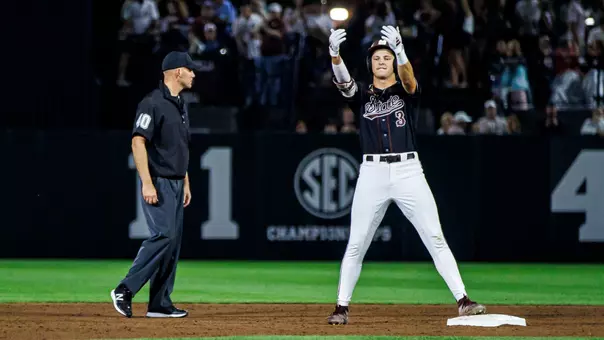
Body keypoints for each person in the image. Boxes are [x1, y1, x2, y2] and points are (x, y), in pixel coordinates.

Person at [326, 26, 486, 325]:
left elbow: (411, 81)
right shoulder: (362, 95)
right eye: (377, 58)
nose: (382, 61)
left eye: (387, 57)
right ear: (370, 64)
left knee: (435, 237)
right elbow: (344, 83)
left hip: (408, 170)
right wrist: (335, 55)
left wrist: (402, 53)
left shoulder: (404, 90)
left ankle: (463, 300)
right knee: (357, 242)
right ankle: (341, 307)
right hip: (372, 171)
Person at [110, 51, 198, 318]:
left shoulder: (180, 104)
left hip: (175, 180)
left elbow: (178, 148)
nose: (194, 74)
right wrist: (147, 183)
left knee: (172, 244)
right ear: (177, 72)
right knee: (164, 235)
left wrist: (185, 180)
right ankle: (124, 289)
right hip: (158, 181)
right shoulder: (152, 103)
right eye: (190, 69)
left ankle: (159, 304)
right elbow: (138, 141)